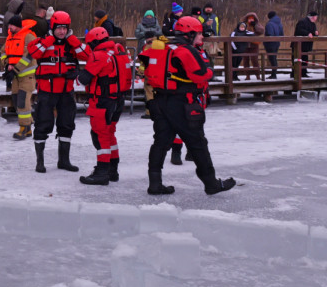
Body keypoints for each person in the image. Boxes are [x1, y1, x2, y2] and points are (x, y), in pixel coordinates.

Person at [140, 16, 235, 195]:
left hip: (160, 101)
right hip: (182, 104)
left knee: (160, 143)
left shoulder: (165, 48)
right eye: (199, 33)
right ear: (189, 34)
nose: (202, 37)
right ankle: (211, 183)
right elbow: (201, 75)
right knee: (198, 143)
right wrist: (210, 71)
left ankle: (155, 184)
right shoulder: (186, 51)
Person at [28, 10, 86, 173]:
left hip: (66, 91)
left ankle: (64, 161)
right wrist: (49, 40)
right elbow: (34, 52)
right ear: (52, 27)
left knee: (67, 124)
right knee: (43, 123)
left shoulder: (72, 43)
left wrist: (73, 40)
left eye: (65, 28)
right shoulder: (42, 41)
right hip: (47, 91)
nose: (62, 31)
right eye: (59, 28)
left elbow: (87, 55)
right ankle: (40, 162)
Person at [77, 27, 132, 185]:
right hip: (118, 100)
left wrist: (76, 74)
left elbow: (84, 79)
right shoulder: (119, 52)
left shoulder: (99, 55)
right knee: (109, 134)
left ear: (94, 42)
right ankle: (112, 171)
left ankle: (102, 172)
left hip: (103, 102)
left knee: (100, 136)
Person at [1, 14, 38, 140]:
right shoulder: (10, 37)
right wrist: (7, 65)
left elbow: (29, 56)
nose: (9, 27)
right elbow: (3, 52)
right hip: (16, 76)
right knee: (16, 100)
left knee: (23, 100)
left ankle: (24, 127)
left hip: (27, 76)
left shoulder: (29, 37)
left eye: (11, 25)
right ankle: (28, 128)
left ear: (17, 26)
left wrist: (15, 69)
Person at [294, 10, 319, 77]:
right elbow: (299, 30)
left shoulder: (313, 24)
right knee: (297, 59)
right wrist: (307, 33)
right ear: (312, 17)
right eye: (316, 17)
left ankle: (304, 73)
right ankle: (295, 74)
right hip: (299, 45)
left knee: (305, 59)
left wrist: (316, 33)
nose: (316, 18)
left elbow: (313, 33)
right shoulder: (302, 21)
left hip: (306, 45)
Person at [264, 10, 284, 78]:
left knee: (272, 58)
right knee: (274, 58)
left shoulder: (269, 24)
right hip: (277, 43)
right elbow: (281, 34)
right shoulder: (279, 23)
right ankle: (274, 73)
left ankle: (273, 74)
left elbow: (269, 34)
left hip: (270, 43)